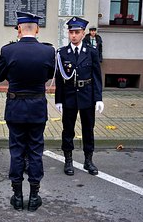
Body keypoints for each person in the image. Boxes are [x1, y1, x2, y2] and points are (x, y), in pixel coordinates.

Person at [0, 11, 55, 211]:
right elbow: (48, 75)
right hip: (37, 108)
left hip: (16, 109)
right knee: (35, 151)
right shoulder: (48, 51)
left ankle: (18, 196)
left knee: (17, 151)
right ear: (37, 29)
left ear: (19, 28)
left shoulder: (8, 50)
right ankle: (35, 196)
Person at [55, 17, 104, 176]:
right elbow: (59, 79)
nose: (74, 35)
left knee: (88, 129)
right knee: (68, 130)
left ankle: (88, 160)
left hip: (87, 96)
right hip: (69, 97)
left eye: (77, 32)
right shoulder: (62, 53)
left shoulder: (91, 52)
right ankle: (68, 160)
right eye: (71, 32)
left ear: (83, 33)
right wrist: (58, 100)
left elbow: (96, 77)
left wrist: (98, 98)